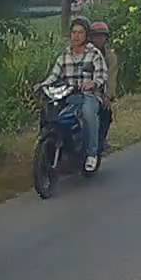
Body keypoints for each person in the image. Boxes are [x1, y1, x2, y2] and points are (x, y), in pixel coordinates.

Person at [38, 16, 108, 171]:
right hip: (69, 95)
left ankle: (91, 154)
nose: (76, 36)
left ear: (86, 35)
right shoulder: (64, 56)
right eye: (74, 32)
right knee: (50, 112)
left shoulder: (94, 54)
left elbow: (102, 75)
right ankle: (49, 146)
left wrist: (93, 83)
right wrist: (42, 85)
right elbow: (53, 76)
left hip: (89, 95)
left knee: (88, 112)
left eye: (80, 33)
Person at [89, 21, 118, 155]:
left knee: (106, 112)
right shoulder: (83, 52)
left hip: (99, 91)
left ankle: (101, 141)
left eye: (102, 36)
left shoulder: (110, 57)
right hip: (79, 88)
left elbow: (111, 78)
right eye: (96, 36)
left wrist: (107, 95)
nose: (99, 39)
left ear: (106, 38)